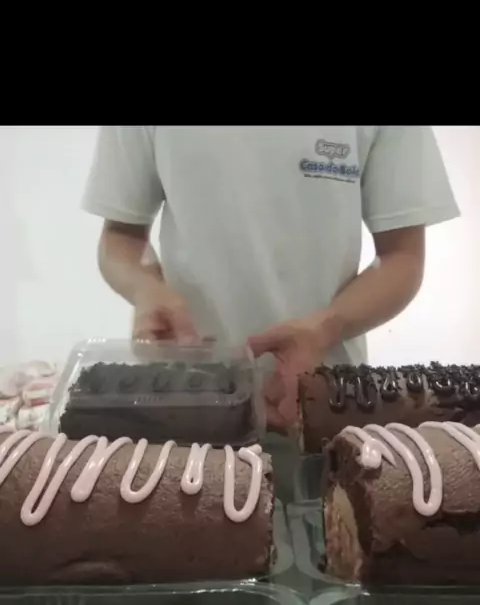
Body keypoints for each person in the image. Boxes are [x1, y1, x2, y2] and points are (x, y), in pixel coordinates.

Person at [82, 126, 459, 435]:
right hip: (187, 399)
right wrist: (146, 289)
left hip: (323, 402)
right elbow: (122, 236)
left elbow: (401, 258)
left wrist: (326, 327)